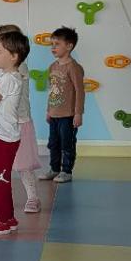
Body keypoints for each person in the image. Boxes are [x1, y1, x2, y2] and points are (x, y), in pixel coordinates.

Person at [0, 25, 42, 213]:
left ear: (13, 53)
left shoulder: (17, 70)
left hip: (18, 122)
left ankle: (32, 197)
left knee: (23, 164)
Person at [38, 26, 84, 183]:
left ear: (69, 46)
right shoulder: (53, 66)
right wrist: (48, 110)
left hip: (68, 115)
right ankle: (54, 169)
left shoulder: (74, 68)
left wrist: (78, 113)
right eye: (52, 44)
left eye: (57, 44)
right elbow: (51, 91)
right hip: (54, 114)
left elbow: (80, 91)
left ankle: (66, 171)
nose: (53, 47)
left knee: (67, 143)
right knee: (53, 143)